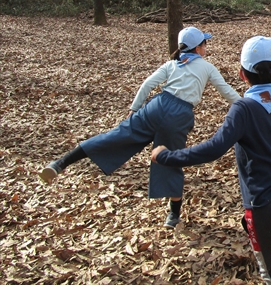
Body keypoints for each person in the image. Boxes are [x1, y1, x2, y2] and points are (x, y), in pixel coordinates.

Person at [151, 36, 271, 285]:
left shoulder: (243, 109)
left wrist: (166, 156)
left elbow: (214, 148)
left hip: (264, 206)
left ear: (241, 74)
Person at [39, 26, 241, 228]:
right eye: (205, 43)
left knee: (116, 136)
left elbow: (147, 84)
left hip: (156, 106)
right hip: (178, 115)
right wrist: (248, 106)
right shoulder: (207, 67)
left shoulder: (172, 64)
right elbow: (226, 92)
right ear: (198, 48)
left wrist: (134, 109)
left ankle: (60, 163)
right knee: (170, 158)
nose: (206, 46)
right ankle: (173, 216)